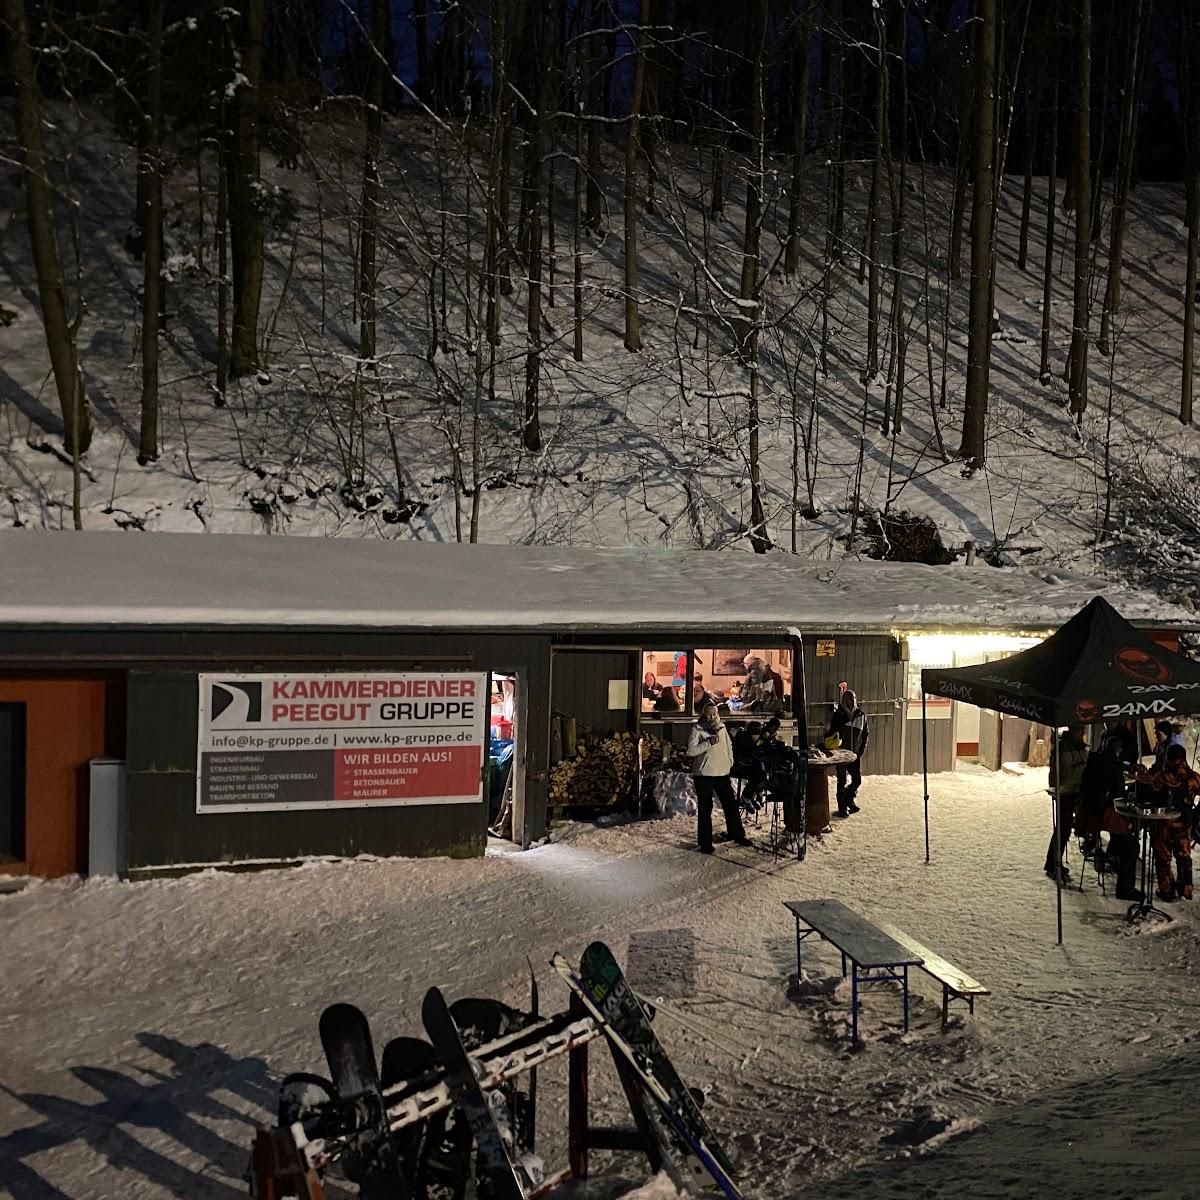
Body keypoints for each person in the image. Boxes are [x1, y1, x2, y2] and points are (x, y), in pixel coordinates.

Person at [1076, 735, 1141, 901]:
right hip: (1101, 815)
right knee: (1131, 844)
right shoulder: (1112, 765)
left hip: (1087, 815)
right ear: (1118, 750)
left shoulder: (1093, 761)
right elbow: (1118, 794)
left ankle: (1112, 854)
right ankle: (1125, 889)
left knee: (1121, 835)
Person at [687, 700, 751, 853]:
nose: (712, 717)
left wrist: (729, 762)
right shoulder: (697, 729)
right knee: (705, 809)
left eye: (714, 714)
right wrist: (708, 743)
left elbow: (728, 746)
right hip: (704, 775)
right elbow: (690, 751)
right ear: (704, 715)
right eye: (708, 714)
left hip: (722, 773)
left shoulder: (722, 728)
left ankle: (737, 834)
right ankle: (705, 843)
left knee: (730, 805)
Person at [1138, 743, 1199, 901]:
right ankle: (1186, 888)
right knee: (1184, 856)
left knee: (1163, 859)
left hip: (1163, 824)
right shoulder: (1194, 778)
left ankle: (1167, 890)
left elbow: (1152, 795)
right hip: (1185, 825)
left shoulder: (1162, 777)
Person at [1045, 726, 1088, 884]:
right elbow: (1054, 771)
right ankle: (1052, 863)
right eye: (1080, 729)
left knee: (1067, 828)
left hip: (1078, 791)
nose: (1082, 732)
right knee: (1062, 829)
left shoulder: (1080, 746)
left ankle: (1055, 862)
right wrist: (1056, 789)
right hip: (1065, 792)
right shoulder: (1062, 748)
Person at [826, 688, 869, 816]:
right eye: (847, 699)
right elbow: (831, 734)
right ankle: (842, 808)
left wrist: (860, 751)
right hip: (840, 754)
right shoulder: (838, 716)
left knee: (857, 780)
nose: (850, 702)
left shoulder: (862, 716)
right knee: (841, 781)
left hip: (855, 754)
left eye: (852, 699)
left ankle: (849, 800)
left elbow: (866, 734)